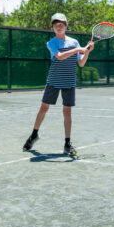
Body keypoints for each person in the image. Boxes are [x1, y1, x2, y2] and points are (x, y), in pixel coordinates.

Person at [22, 13, 94, 156]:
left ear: (66, 25)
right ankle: (34, 135)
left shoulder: (74, 42)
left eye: (61, 24)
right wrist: (77, 50)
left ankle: (67, 144)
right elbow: (60, 57)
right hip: (53, 81)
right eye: (56, 25)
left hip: (69, 82)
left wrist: (87, 52)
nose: (58, 27)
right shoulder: (51, 43)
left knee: (67, 112)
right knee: (43, 108)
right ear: (53, 28)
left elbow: (81, 63)